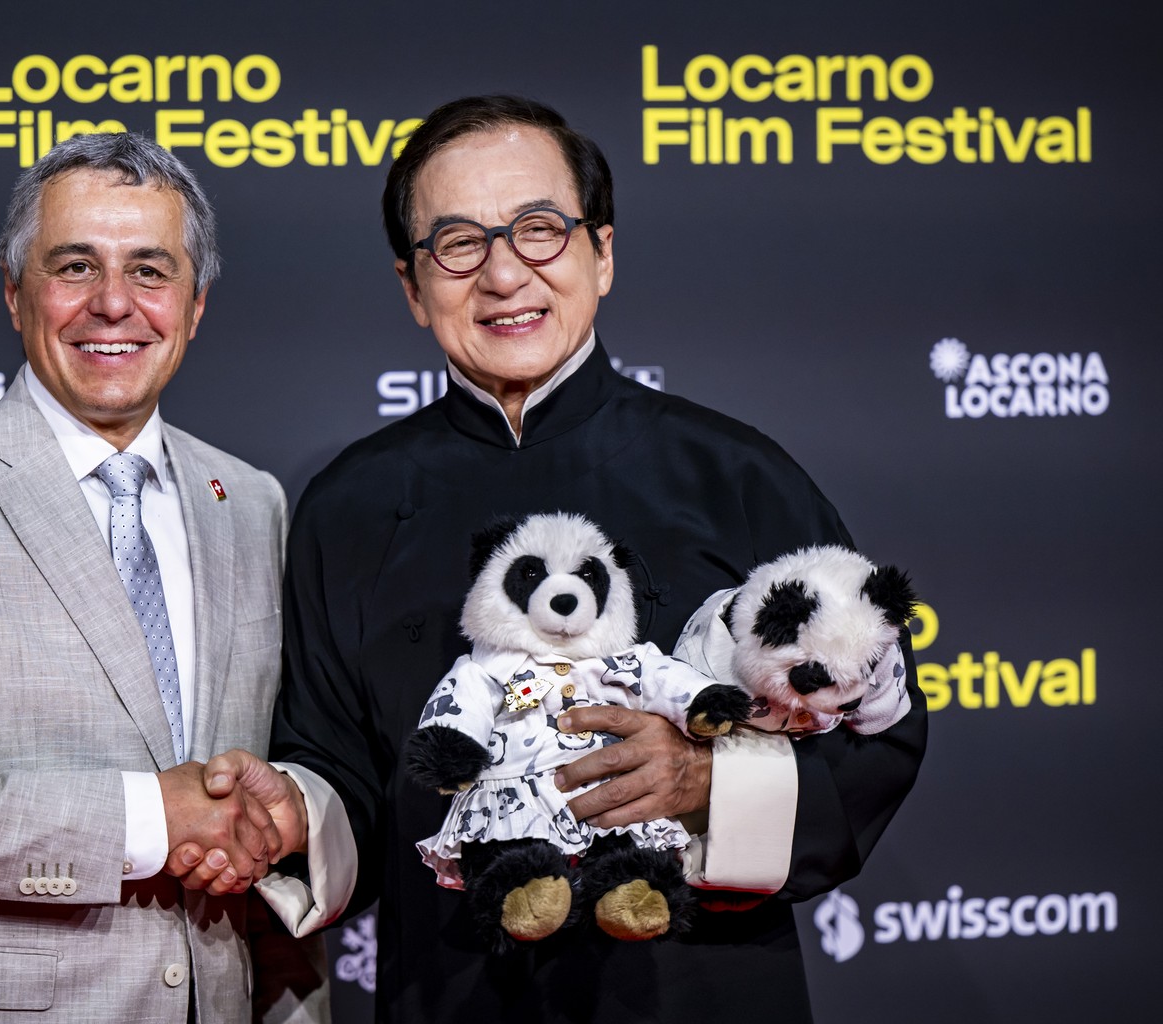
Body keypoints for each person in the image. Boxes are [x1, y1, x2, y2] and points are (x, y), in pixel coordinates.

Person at [192, 95, 928, 1022]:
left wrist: (713, 782)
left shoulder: (739, 477)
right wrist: (291, 814)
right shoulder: (349, 506)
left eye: (540, 229)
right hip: (450, 995)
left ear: (602, 254)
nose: (505, 274)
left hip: (702, 991)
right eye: (458, 243)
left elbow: (876, 730)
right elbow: (340, 767)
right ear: (413, 288)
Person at [0, 132, 324, 1023]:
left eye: (150, 271)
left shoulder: (250, 503)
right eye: (75, 267)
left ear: (194, 305)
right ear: (15, 292)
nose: (113, 303)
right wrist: (151, 818)